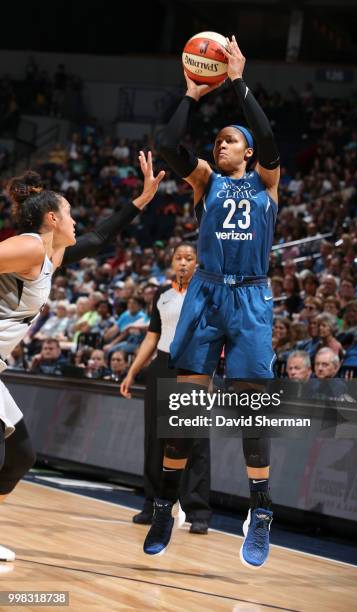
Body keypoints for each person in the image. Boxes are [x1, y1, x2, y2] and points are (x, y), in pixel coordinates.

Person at [147, 36, 280, 568]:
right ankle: (165, 502)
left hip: (249, 296)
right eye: (217, 141)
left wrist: (239, 82)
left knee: (252, 405)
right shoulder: (205, 181)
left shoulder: (267, 183)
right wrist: (191, 95)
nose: (219, 146)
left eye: (229, 141)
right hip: (205, 292)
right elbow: (165, 146)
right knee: (187, 408)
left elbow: (268, 138)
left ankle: (261, 508)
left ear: (246, 151)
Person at [0, 152, 164, 563]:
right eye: (70, 213)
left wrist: (141, 201)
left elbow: (97, 238)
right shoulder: (28, 248)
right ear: (52, 218)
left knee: (22, 456)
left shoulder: (49, 258)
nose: (76, 220)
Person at [120, 243, 211, 535]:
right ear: (171, 262)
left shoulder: (207, 292)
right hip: (162, 365)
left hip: (194, 366)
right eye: (178, 258)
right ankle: (153, 504)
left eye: (189, 258)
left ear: (198, 262)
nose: (183, 263)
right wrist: (133, 371)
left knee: (193, 440)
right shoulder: (162, 295)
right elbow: (152, 335)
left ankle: (198, 510)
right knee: (155, 439)